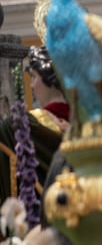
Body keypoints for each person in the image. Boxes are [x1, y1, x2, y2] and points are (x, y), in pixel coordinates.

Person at [0, 46, 69, 202]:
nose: (31, 85)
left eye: (33, 76)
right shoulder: (87, 125)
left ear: (49, 78)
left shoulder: (17, 127)